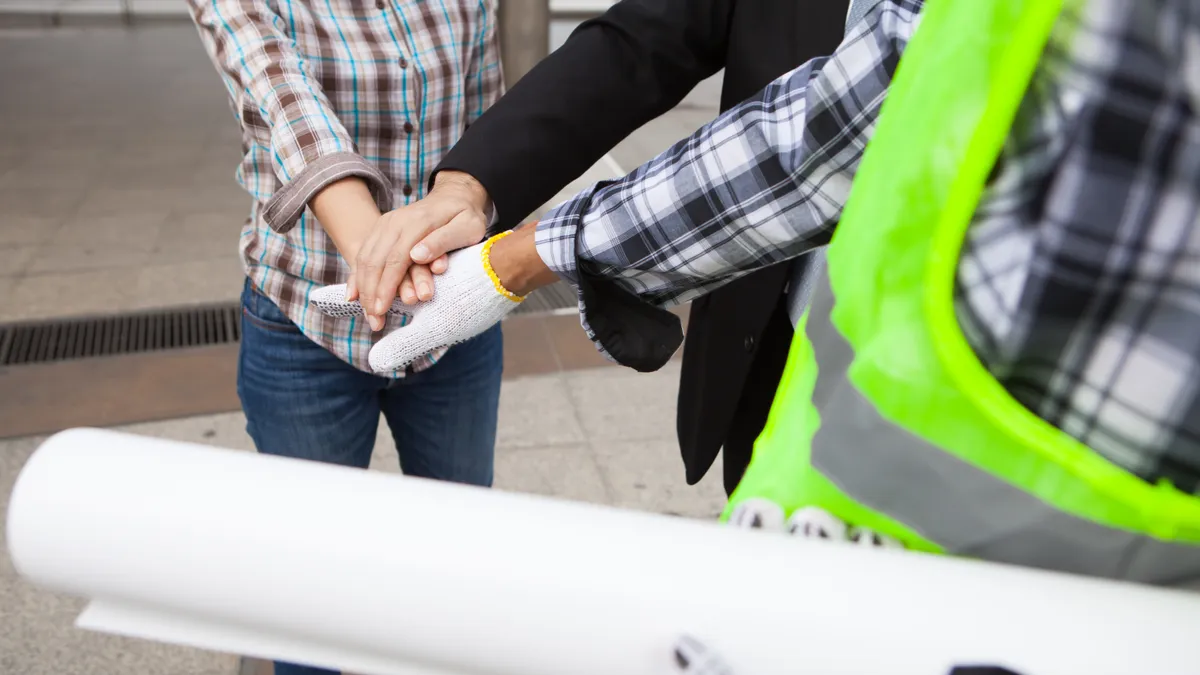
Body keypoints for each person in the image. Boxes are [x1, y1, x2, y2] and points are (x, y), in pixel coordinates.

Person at [313, 0, 1200, 586]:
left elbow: (837, 133)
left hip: (1022, 448)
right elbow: (649, 36)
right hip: (785, 367)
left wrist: (532, 253)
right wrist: (472, 183)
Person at [340, 0, 854, 497]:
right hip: (772, 347)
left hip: (908, 378)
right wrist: (468, 184)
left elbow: (814, 146)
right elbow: (643, 40)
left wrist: (522, 258)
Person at [185, 2, 504, 674]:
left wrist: (477, 211)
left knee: (457, 557)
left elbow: (487, 121)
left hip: (451, 318)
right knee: (309, 590)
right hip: (305, 318)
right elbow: (286, 103)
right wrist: (383, 258)